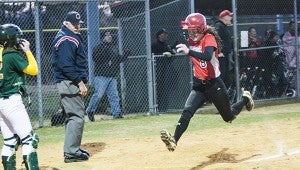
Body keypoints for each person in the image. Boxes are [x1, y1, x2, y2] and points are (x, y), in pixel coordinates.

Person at [160, 13, 254, 152]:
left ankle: (245, 99)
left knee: (229, 117)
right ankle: (174, 140)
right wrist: (172, 52)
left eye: (193, 30)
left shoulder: (209, 39)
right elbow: (178, 46)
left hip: (214, 85)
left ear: (201, 29)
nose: (190, 33)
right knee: (187, 111)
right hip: (199, 86)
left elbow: (207, 56)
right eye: (189, 30)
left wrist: (188, 52)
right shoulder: (190, 40)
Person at [50, 11, 90, 163]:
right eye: (74, 24)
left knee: (72, 117)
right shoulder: (66, 38)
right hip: (70, 82)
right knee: (77, 117)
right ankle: (72, 153)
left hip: (68, 82)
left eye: (79, 24)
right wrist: (80, 82)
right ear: (66, 23)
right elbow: (65, 65)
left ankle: (72, 149)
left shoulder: (67, 35)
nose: (77, 26)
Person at [0, 24, 39, 169]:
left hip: (1, 101)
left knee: (9, 141)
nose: (19, 40)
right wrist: (28, 51)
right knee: (30, 139)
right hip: (12, 101)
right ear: (10, 39)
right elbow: (34, 70)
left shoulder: (2, 54)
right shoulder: (12, 55)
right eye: (16, 38)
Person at [86, 31, 130, 121]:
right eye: (107, 35)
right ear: (103, 37)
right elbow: (95, 58)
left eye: (110, 35)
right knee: (98, 94)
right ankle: (90, 110)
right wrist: (104, 50)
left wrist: (125, 55)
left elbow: (118, 59)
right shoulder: (99, 47)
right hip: (101, 76)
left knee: (114, 95)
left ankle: (116, 113)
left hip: (111, 76)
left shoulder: (113, 48)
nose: (109, 37)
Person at [151, 28, 177, 112]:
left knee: (164, 89)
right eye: (164, 34)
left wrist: (172, 52)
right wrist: (162, 55)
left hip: (165, 71)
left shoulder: (166, 45)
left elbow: (172, 55)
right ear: (159, 35)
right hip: (156, 71)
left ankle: (164, 108)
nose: (166, 36)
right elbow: (153, 56)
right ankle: (156, 108)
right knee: (157, 89)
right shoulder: (155, 44)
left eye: (166, 34)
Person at [214, 10, 233, 88]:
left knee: (224, 77)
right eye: (229, 16)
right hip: (220, 56)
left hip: (224, 55)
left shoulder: (223, 26)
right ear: (224, 17)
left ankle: (222, 97)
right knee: (221, 77)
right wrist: (218, 52)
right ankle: (218, 97)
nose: (231, 18)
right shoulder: (219, 26)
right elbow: (215, 39)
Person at [282, 21, 299, 91]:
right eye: (293, 26)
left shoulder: (297, 35)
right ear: (289, 27)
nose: (294, 27)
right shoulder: (286, 35)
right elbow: (286, 42)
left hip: (296, 57)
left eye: (296, 26)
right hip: (289, 58)